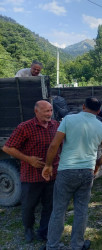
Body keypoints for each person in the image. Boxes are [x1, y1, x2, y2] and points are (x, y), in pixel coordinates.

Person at [41, 97, 102, 250]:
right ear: (99, 111)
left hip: (66, 170)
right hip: (87, 172)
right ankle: (77, 245)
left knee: (59, 209)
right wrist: (97, 164)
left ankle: (52, 245)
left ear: (83, 106)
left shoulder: (68, 119)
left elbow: (54, 145)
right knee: (81, 210)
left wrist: (48, 165)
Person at [2, 101, 59, 243]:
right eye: (46, 111)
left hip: (52, 174)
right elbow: (7, 148)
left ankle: (43, 232)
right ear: (36, 112)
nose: (49, 114)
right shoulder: (25, 127)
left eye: (51, 110)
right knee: (28, 205)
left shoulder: (56, 125)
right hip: (31, 174)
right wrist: (28, 159)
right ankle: (28, 229)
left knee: (50, 205)